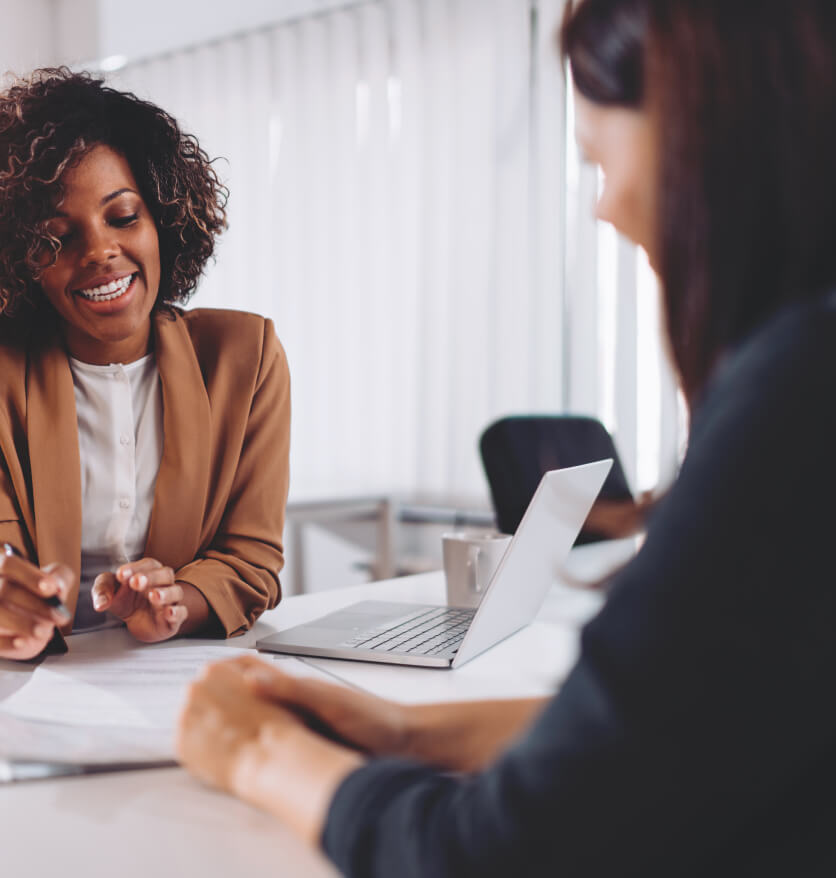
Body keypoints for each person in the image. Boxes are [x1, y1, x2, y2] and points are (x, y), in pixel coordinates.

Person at [175, 0, 836, 874]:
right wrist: (404, 728)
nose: (606, 207)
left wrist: (257, 753)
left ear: (705, 134)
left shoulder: (798, 388)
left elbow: (501, 853)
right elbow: (699, 724)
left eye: (599, 160)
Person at [0, 69, 290, 660]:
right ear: (17, 262)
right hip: (29, 689)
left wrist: (179, 604)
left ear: (162, 218)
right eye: (56, 238)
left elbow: (250, 560)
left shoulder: (245, 356)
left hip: (179, 677)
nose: (100, 252)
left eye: (123, 216)